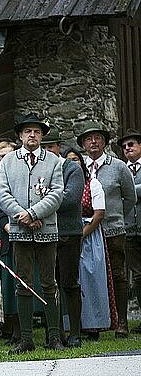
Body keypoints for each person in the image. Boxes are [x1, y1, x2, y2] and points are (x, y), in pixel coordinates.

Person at [0, 112, 64, 353]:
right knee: (22, 283)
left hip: (46, 228)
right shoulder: (8, 161)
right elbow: (3, 195)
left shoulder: (54, 161)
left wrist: (35, 214)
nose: (32, 135)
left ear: (42, 135)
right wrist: (23, 216)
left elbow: (57, 193)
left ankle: (54, 336)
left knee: (49, 283)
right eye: (27, 131)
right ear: (20, 135)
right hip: (19, 230)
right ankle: (26, 339)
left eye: (36, 131)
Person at [78, 121, 136, 337]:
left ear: (104, 142)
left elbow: (130, 197)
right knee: (89, 276)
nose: (93, 142)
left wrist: (116, 215)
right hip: (86, 231)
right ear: (83, 143)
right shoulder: (79, 167)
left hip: (112, 230)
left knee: (118, 274)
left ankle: (121, 322)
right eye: (89, 138)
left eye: (98, 138)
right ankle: (93, 323)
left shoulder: (118, 166)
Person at [64, 148, 116, 339]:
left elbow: (99, 214)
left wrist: (82, 234)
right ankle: (74, 326)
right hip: (70, 235)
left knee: (92, 279)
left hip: (89, 235)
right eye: (69, 160)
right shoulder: (62, 185)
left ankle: (95, 326)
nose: (73, 163)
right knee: (73, 280)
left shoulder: (92, 184)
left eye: (76, 160)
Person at [41, 130, 84, 347]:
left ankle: (75, 333)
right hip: (45, 232)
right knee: (50, 284)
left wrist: (42, 206)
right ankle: (55, 334)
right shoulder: (40, 168)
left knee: (69, 282)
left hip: (69, 232)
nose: (47, 151)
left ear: (59, 146)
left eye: (51, 147)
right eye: (44, 147)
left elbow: (71, 198)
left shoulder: (72, 168)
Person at [0, 140, 20, 344]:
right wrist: (5, 226)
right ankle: (6, 326)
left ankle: (19, 328)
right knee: (5, 282)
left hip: (20, 229)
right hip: (1, 232)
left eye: (10, 155)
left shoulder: (19, 175)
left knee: (19, 279)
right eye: (2, 156)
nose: (6, 159)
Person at [118, 129, 141, 334]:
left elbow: (126, 193)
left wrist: (129, 190)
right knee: (137, 275)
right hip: (130, 230)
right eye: (125, 147)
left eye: (132, 144)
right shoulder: (123, 169)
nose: (128, 149)